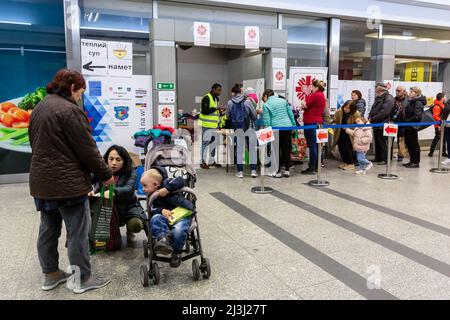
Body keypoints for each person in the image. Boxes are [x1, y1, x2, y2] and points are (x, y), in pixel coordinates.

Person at [29, 69, 114, 294]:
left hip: (42, 183)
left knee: (48, 229)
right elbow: (88, 150)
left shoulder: (39, 108)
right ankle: (81, 279)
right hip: (68, 185)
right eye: (80, 93)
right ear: (73, 88)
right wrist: (106, 174)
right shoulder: (70, 111)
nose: (80, 98)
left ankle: (51, 274)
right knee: (77, 232)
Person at [91, 145, 147, 244]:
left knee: (135, 225)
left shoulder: (131, 172)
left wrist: (113, 192)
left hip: (127, 206)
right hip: (105, 207)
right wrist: (87, 189)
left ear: (124, 161)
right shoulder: (100, 170)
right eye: (111, 159)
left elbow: (129, 190)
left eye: (118, 160)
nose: (113, 163)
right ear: (106, 159)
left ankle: (130, 231)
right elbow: (88, 180)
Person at [140, 167, 194, 268]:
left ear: (156, 184)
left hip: (181, 214)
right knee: (155, 218)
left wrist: (167, 189)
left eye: (144, 186)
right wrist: (161, 211)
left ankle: (176, 252)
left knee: (179, 230)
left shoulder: (169, 182)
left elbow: (181, 180)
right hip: (164, 218)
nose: (143, 189)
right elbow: (151, 211)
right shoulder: (151, 197)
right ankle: (163, 240)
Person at [262, 89, 296, 178]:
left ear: (266, 96)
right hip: (287, 127)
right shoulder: (283, 101)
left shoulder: (266, 105)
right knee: (286, 149)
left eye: (264, 98)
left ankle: (277, 172)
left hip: (276, 128)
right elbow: (290, 114)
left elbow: (267, 121)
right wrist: (294, 126)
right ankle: (287, 170)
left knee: (276, 150)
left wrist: (267, 131)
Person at [226, 83, 257, 178]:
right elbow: (254, 116)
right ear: (241, 91)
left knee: (239, 150)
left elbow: (227, 116)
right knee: (251, 149)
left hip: (237, 128)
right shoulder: (247, 102)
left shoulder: (229, 103)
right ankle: (253, 171)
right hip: (249, 127)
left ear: (233, 93)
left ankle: (240, 172)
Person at [300, 80, 327, 175]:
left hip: (310, 122)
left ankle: (312, 167)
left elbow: (305, 104)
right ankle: (316, 166)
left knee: (312, 146)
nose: (311, 88)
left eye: (312, 86)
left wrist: (304, 101)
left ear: (316, 87)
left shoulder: (315, 95)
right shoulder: (322, 95)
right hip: (318, 122)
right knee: (316, 145)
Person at [368, 83, 395, 165]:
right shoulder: (380, 97)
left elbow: (384, 112)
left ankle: (385, 159)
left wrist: (373, 119)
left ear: (379, 89)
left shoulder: (388, 98)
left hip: (383, 124)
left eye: (376, 87)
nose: (375, 89)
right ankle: (378, 157)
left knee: (383, 142)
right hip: (377, 124)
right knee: (378, 142)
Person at [332, 100, 361, 171]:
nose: (346, 109)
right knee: (341, 147)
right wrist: (334, 126)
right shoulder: (339, 111)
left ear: (352, 109)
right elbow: (335, 121)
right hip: (340, 132)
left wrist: (349, 129)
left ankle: (351, 164)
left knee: (348, 148)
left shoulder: (356, 113)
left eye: (348, 108)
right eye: (345, 107)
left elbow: (359, 124)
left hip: (350, 133)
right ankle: (345, 162)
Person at [200, 83, 222, 169]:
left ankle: (211, 161)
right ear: (213, 89)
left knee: (214, 143)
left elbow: (214, 113)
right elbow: (205, 111)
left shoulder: (216, 99)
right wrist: (216, 109)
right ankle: (202, 161)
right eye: (218, 90)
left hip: (214, 125)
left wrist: (219, 112)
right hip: (207, 126)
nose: (220, 92)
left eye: (220, 90)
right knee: (205, 143)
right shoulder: (206, 98)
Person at [403, 87, 426, 168]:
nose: (410, 93)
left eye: (412, 92)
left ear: (417, 93)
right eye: (410, 91)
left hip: (412, 127)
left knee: (413, 144)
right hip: (408, 126)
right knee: (409, 143)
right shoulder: (411, 102)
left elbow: (417, 116)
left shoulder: (418, 103)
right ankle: (412, 161)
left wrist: (407, 121)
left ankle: (415, 162)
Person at [392, 86, 409, 162]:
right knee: (390, 139)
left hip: (403, 123)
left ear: (404, 91)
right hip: (393, 122)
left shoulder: (408, 100)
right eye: (396, 90)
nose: (397, 92)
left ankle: (400, 155)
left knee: (401, 139)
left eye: (399, 90)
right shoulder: (394, 100)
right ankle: (389, 155)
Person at [429, 93, 447, 157]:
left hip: (443, 124)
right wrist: (440, 124)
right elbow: (435, 116)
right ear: (442, 98)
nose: (446, 97)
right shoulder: (437, 106)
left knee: (444, 138)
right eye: (445, 96)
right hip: (438, 125)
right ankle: (431, 152)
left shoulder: (443, 105)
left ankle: (444, 152)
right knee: (437, 138)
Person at [442, 99, 450, 166]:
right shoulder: (448, 101)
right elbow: (445, 111)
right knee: (448, 142)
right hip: (447, 124)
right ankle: (449, 158)